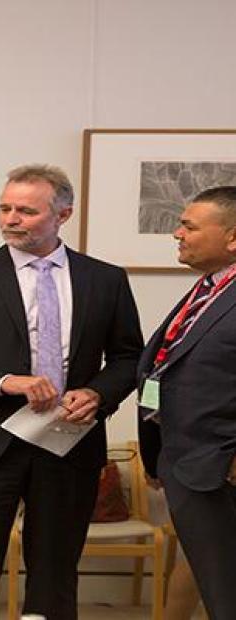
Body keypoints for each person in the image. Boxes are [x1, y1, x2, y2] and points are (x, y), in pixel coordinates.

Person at [0, 164, 143, 620]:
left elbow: (129, 358)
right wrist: (4, 382)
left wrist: (97, 394)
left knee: (56, 575)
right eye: (5, 208)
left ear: (63, 214)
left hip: (67, 444)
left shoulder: (106, 279)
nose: (10, 219)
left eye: (26, 211)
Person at [137, 185, 236, 620]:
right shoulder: (208, 289)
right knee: (211, 580)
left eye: (189, 226)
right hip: (185, 462)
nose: (177, 233)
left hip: (220, 468)